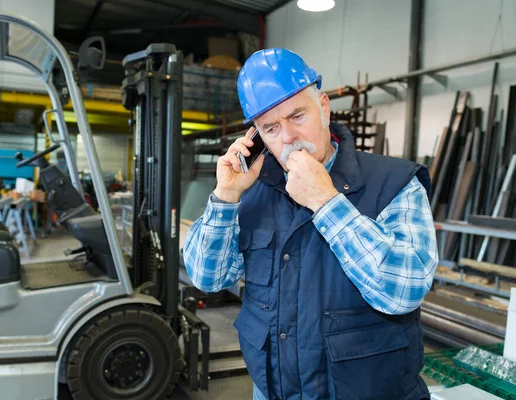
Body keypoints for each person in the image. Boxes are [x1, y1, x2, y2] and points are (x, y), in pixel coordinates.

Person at [183, 48, 438, 400]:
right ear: (256, 136)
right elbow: (207, 278)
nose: (287, 137)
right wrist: (225, 197)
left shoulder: (394, 182)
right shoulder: (250, 191)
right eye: (271, 128)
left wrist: (326, 201)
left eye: (297, 115)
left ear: (324, 107)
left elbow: (402, 292)